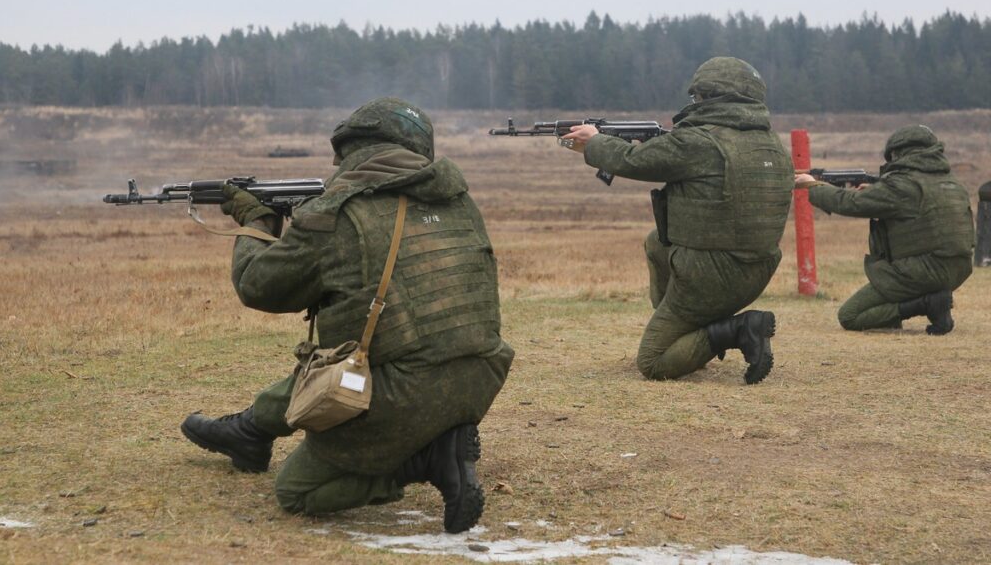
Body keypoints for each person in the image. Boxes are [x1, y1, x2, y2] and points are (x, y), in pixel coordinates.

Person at [180, 98, 514, 533]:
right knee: (351, 355)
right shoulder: (460, 203)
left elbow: (257, 285)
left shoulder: (337, 215)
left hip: (403, 393)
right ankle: (252, 429)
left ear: (353, 147)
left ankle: (431, 459)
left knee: (298, 490)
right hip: (479, 378)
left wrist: (257, 221)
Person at [562, 57, 793, 385]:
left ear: (709, 95)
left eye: (698, 96)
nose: (694, 102)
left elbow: (632, 160)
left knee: (654, 361)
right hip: (757, 269)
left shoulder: (699, 141)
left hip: (712, 272)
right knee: (658, 242)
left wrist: (595, 141)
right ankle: (690, 329)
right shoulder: (772, 144)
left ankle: (739, 330)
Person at [794, 125, 974, 334]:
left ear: (899, 152)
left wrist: (813, 186)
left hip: (924, 271)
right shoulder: (951, 183)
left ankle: (926, 304)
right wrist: (877, 192)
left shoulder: (902, 185)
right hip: (958, 269)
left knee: (850, 316)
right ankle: (934, 302)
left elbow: (851, 203)